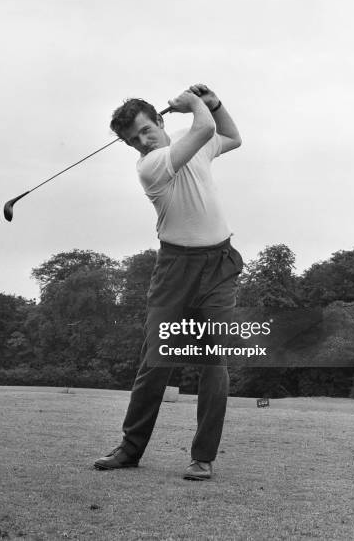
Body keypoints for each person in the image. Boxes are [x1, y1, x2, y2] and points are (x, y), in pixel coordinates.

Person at [94, 83, 243, 480]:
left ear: (160, 121)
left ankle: (203, 457)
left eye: (146, 130)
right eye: (132, 140)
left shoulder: (186, 140)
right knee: (156, 360)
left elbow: (229, 136)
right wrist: (195, 104)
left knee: (214, 360)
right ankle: (130, 448)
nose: (142, 142)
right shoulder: (151, 165)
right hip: (175, 266)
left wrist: (215, 103)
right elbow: (205, 130)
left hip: (218, 265)